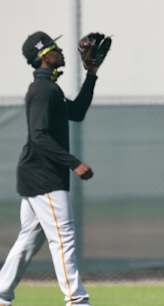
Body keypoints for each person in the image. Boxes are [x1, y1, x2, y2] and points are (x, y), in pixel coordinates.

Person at [0, 31, 102, 306]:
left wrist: (91, 74)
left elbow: (77, 112)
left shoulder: (49, 89)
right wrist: (74, 163)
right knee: (63, 237)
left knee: (29, 241)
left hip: (37, 175)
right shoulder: (42, 91)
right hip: (44, 176)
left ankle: (1, 294)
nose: (61, 51)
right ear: (44, 57)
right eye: (54, 48)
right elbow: (39, 136)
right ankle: (77, 300)